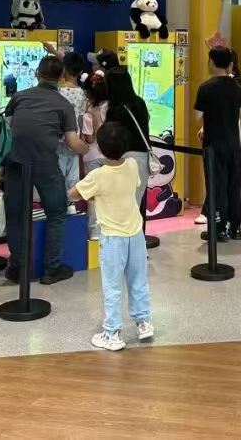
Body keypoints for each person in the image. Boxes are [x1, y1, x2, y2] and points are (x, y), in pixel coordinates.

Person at [4, 55, 89, 285]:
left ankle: (17, 267)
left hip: (16, 163)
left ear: (36, 74)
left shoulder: (19, 97)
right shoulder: (63, 105)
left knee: (15, 214)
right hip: (46, 164)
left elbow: (8, 128)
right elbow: (72, 142)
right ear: (61, 77)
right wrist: (86, 148)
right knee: (57, 212)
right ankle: (52, 268)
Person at [71, 122, 153, 351]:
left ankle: (112, 333)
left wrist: (93, 194)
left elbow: (75, 193)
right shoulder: (133, 165)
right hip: (136, 234)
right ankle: (143, 322)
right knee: (138, 280)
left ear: (100, 147)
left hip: (113, 239)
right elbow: (129, 187)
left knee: (112, 286)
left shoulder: (97, 175)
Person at [194, 46, 241, 241]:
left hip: (214, 145)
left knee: (216, 187)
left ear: (211, 62)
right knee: (233, 185)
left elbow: (198, 117)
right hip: (233, 142)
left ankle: (218, 228)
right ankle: (235, 227)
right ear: (229, 64)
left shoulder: (206, 88)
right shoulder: (237, 87)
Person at [105, 67, 153, 220]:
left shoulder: (114, 109)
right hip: (142, 158)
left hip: (123, 159)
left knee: (121, 210)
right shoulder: (139, 103)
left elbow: (110, 136)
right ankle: (136, 235)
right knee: (135, 206)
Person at [56, 52, 89, 211]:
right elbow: (82, 118)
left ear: (64, 69)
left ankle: (58, 209)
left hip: (58, 139)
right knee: (73, 178)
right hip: (75, 140)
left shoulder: (58, 91)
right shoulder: (82, 93)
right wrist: (81, 140)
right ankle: (71, 209)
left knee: (58, 176)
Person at [80, 71, 109, 240]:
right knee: (108, 193)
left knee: (93, 195)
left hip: (92, 156)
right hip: (109, 155)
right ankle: (108, 229)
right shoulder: (111, 107)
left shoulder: (89, 111)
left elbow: (90, 138)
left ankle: (95, 231)